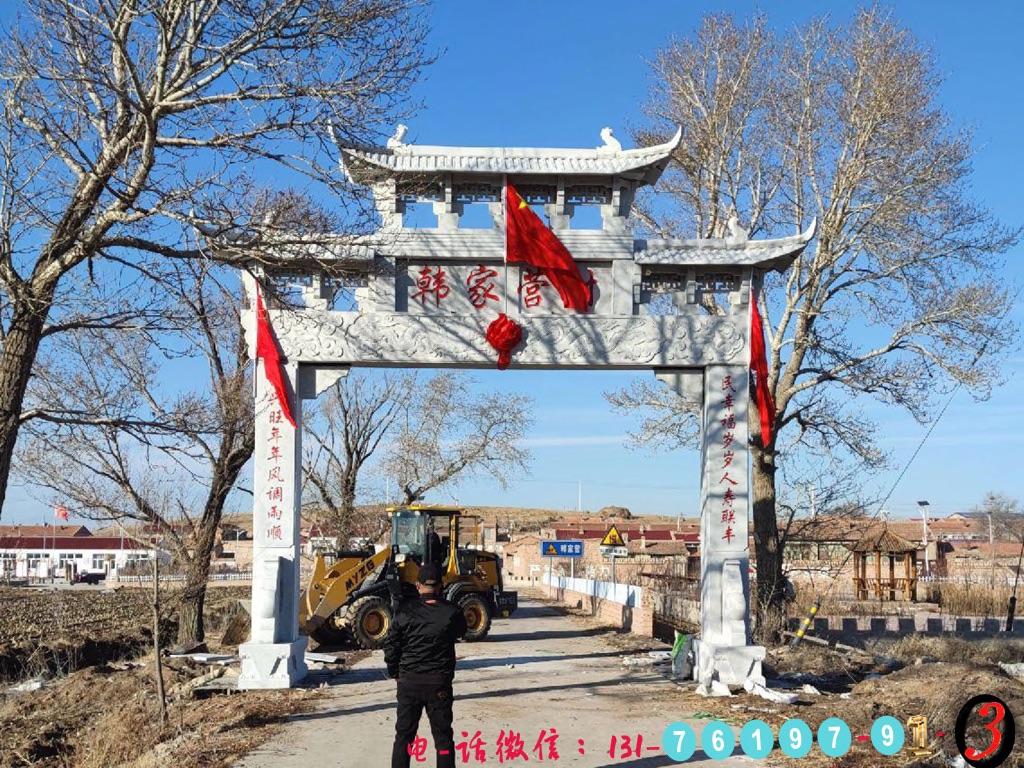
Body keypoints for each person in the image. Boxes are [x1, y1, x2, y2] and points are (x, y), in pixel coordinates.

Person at [385, 563, 467, 768]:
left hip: (409, 682)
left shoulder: (404, 612)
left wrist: (395, 672)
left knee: (404, 737)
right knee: (443, 740)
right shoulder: (453, 612)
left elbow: (391, 646)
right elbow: (460, 632)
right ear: (440, 586)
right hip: (439, 682)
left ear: (417, 585)